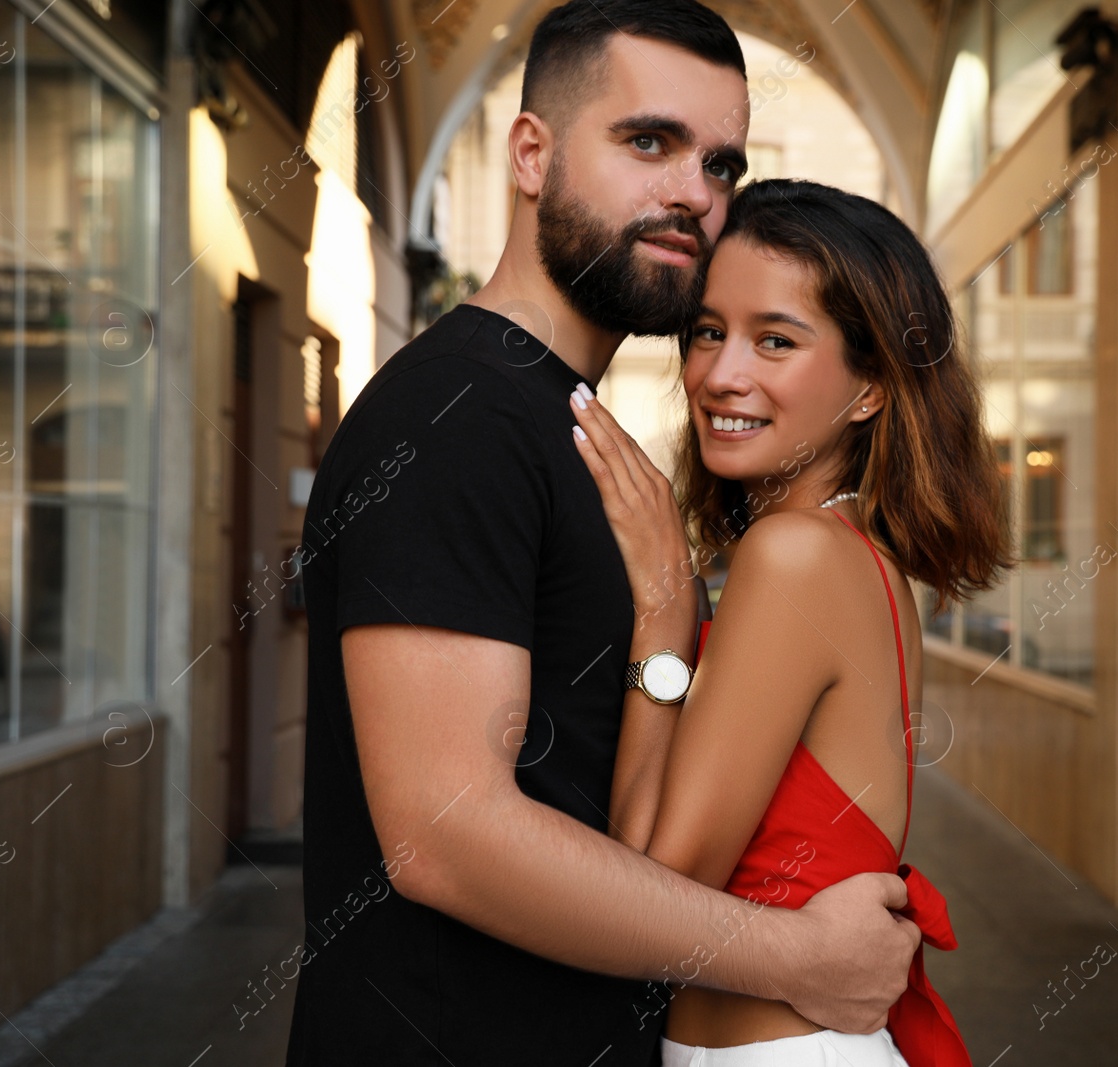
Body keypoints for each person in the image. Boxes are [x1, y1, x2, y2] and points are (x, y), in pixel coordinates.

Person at [285, 3, 921, 1065]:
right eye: (648, 142)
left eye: (721, 163)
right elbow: (446, 834)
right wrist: (793, 958)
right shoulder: (457, 417)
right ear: (530, 154)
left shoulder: (563, 422)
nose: (693, 193)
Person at [568, 179, 1012, 1066]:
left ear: (872, 388)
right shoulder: (849, 551)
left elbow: (659, 887)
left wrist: (663, 609)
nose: (721, 373)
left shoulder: (796, 557)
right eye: (707, 331)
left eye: (776, 339)